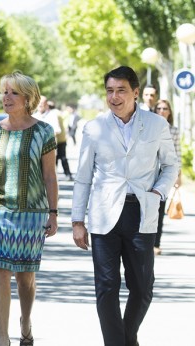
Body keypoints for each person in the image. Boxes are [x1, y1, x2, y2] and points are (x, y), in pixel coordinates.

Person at [71, 66, 178, 346]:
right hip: (104, 215)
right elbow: (83, 177)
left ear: (135, 92)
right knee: (107, 288)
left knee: (143, 288)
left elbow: (170, 165)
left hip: (141, 212)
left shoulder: (157, 124)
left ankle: (127, 338)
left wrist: (158, 191)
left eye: (121, 90)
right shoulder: (94, 128)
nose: (114, 97)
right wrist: (77, 221)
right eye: (109, 91)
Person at [0, 71, 58, 346]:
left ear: (28, 98)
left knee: (25, 276)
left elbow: (50, 176)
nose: (6, 97)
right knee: (0, 273)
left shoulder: (43, 131)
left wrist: (53, 213)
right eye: (4, 92)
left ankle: (25, 321)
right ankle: (3, 336)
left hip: (33, 214)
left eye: (13, 92)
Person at [153, 99, 181, 255]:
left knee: (160, 208)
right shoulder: (148, 128)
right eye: (159, 108)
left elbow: (178, 153)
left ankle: (156, 243)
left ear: (169, 112)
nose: (162, 111)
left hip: (165, 176)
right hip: (148, 174)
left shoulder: (174, 131)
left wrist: (178, 175)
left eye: (165, 108)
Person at [35, 97, 72, 180]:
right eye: (39, 104)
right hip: (38, 147)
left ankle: (66, 174)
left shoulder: (53, 115)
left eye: (42, 104)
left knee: (60, 159)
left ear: (46, 105)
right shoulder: (34, 116)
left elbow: (56, 130)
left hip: (55, 143)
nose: (40, 106)